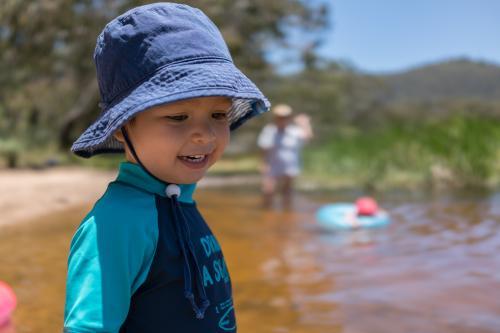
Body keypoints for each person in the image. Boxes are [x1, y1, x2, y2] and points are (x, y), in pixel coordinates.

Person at [64, 3, 269, 332]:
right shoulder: (119, 220)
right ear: (121, 126)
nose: (204, 134)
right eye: (177, 117)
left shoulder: (179, 199)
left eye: (218, 115)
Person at [257, 104, 313, 209]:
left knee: (287, 190)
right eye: (280, 117)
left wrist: (305, 123)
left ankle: (286, 210)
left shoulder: (294, 131)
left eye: (285, 117)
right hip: (273, 164)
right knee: (268, 190)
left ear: (289, 118)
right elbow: (263, 148)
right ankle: (266, 211)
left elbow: (308, 137)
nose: (282, 119)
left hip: (290, 165)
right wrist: (263, 163)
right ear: (275, 117)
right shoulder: (269, 130)